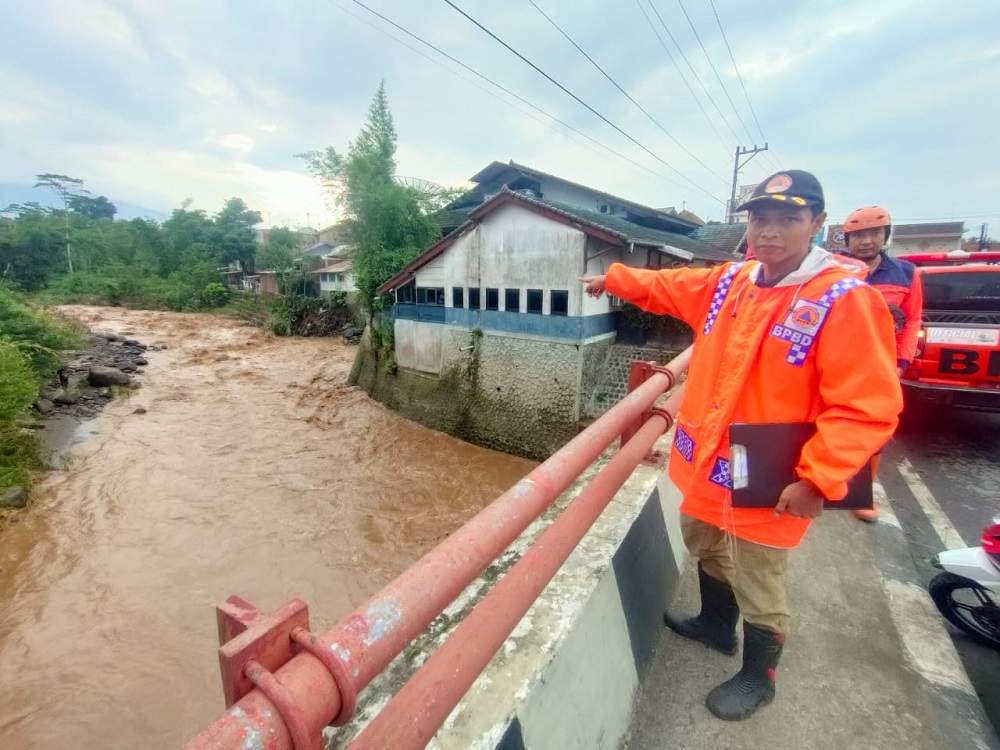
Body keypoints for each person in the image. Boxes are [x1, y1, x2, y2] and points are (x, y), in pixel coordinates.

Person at [580, 170, 902, 721]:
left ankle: (759, 677)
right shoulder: (732, 281)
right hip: (709, 457)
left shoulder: (844, 300)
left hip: (773, 468)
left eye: (787, 219)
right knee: (703, 539)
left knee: (759, 573)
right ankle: (714, 625)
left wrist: (819, 479)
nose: (769, 231)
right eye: (759, 219)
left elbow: (865, 406)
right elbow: (667, 287)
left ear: (817, 225)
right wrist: (612, 279)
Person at [842, 205, 923, 522]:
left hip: (879, 367)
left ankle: (861, 493)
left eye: (874, 233)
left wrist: (900, 364)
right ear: (848, 238)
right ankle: (817, 483)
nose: (866, 241)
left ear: (886, 235)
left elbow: (913, 320)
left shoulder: (906, 273)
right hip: (837, 363)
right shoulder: (833, 269)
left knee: (872, 431)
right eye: (858, 234)